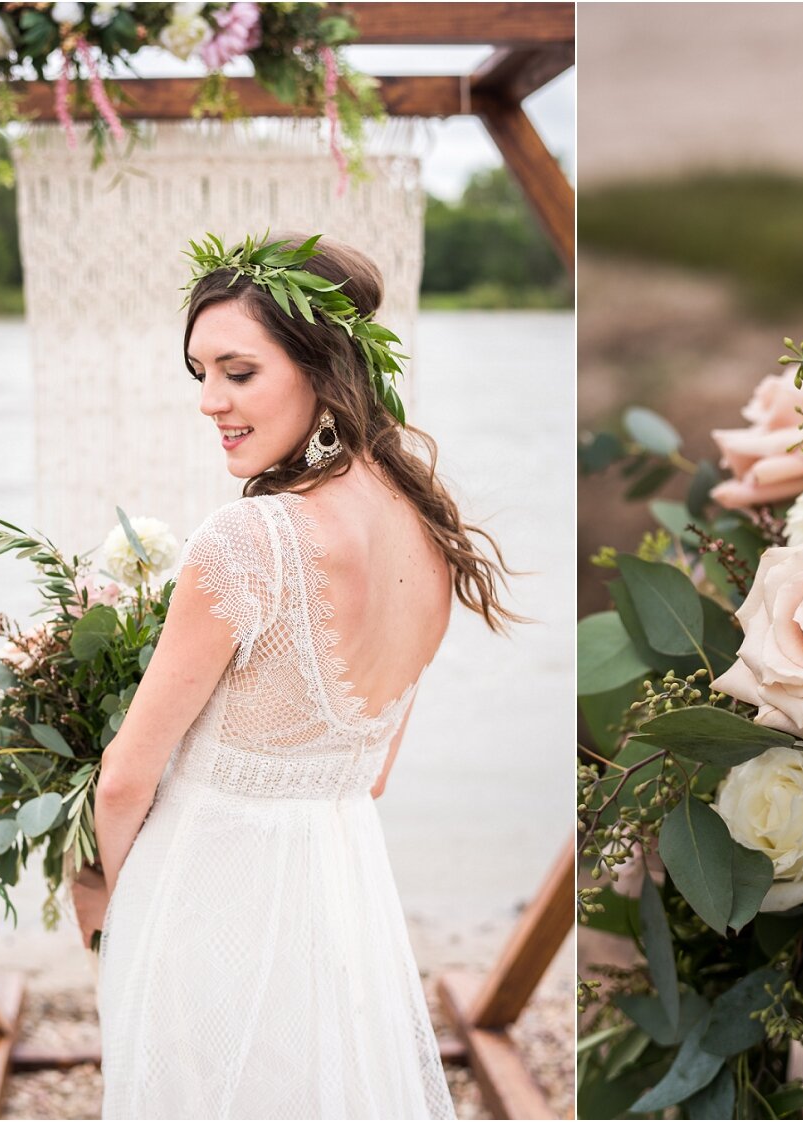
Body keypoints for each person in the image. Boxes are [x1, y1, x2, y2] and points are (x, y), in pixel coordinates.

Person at [85, 233, 518, 1119]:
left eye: (238, 372)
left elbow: (125, 776)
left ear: (324, 370)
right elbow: (377, 772)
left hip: (206, 888)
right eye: (199, 373)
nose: (210, 402)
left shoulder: (249, 541)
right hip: (339, 891)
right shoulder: (430, 532)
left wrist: (106, 906)